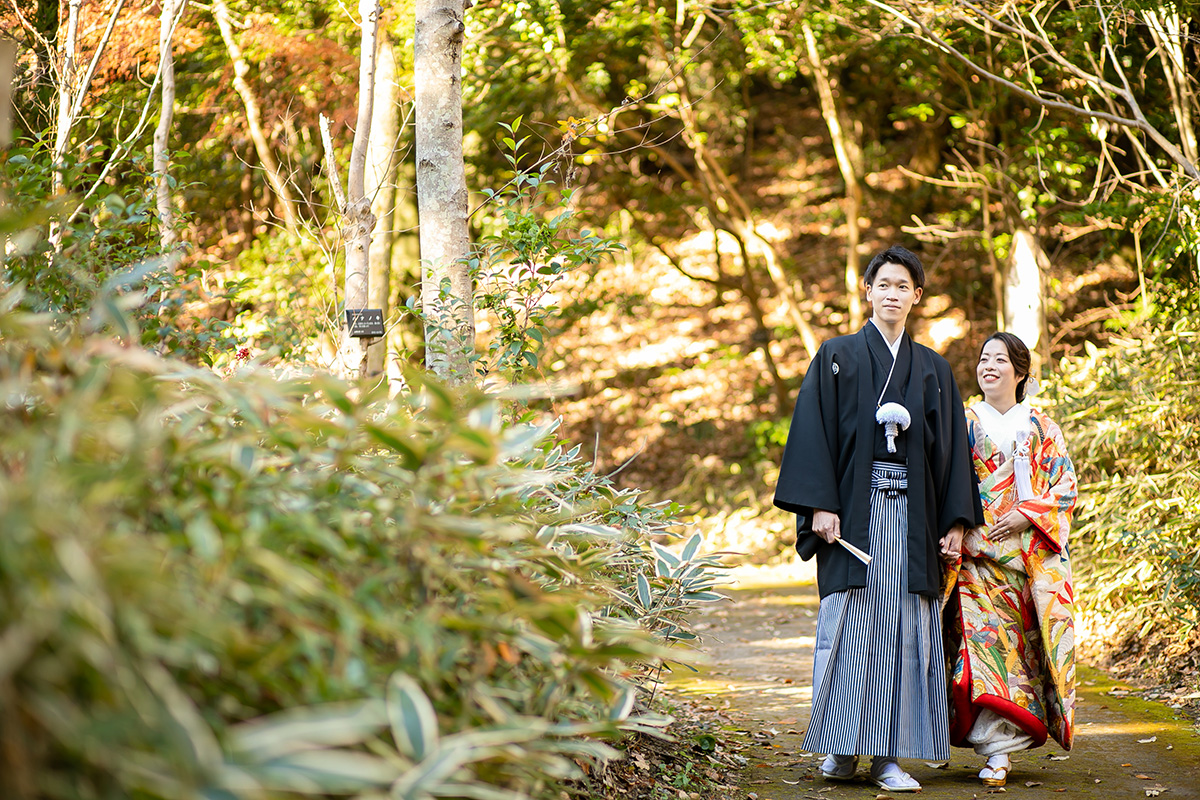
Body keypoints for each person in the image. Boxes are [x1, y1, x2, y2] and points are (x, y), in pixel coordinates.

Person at [773, 245, 983, 792]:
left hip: (912, 520)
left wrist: (956, 522)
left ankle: (888, 757)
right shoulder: (837, 355)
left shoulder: (933, 368)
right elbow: (813, 433)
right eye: (883, 284)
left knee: (905, 633)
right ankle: (841, 748)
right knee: (849, 629)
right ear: (867, 291)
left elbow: (952, 454)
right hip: (854, 518)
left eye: (903, 286)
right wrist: (821, 503)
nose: (892, 294)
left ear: (917, 296)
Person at [943, 332, 1077, 787]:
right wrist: (955, 528)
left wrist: (1024, 514)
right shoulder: (959, 421)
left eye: (1001, 359)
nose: (989, 366)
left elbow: (1065, 487)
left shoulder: (1042, 426)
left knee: (1021, 656)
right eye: (984, 359)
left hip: (1026, 560)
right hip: (975, 558)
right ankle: (997, 750)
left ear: (1021, 372)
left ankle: (1003, 746)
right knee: (982, 651)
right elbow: (941, 481)